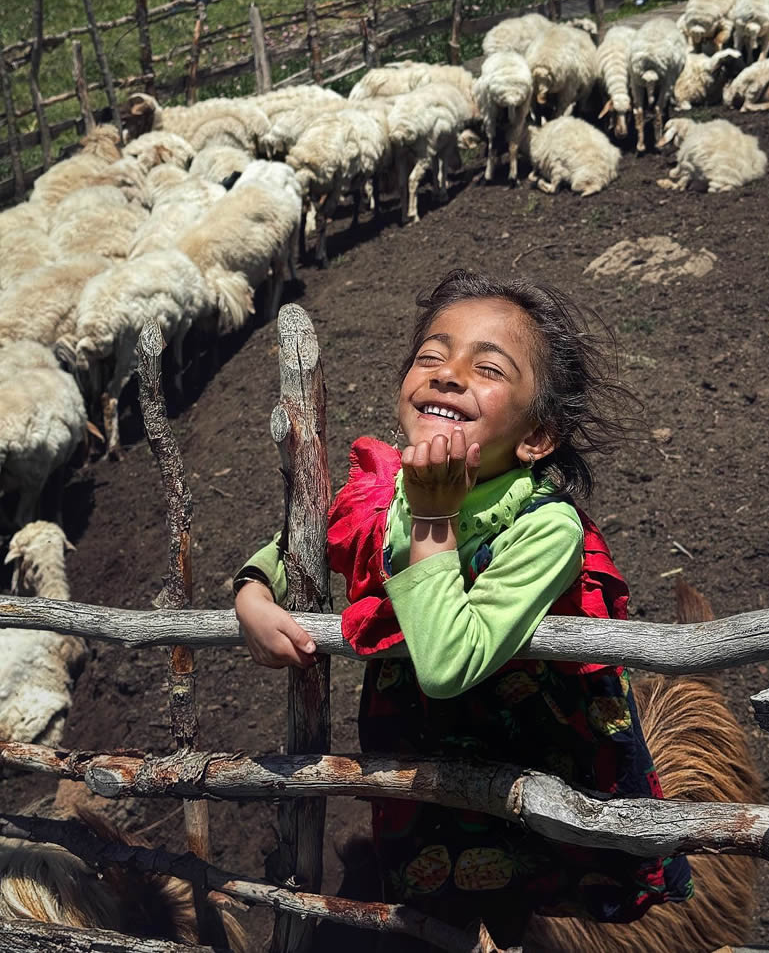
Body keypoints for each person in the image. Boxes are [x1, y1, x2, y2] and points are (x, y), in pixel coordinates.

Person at [234, 269, 693, 947]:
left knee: (513, 904)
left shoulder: (545, 528)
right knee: (435, 898)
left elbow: (449, 663)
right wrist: (252, 592)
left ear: (538, 437)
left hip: (529, 762)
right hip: (423, 754)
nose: (447, 375)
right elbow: (302, 542)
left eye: (487, 368)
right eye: (430, 355)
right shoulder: (390, 490)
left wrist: (433, 518)